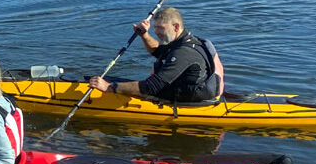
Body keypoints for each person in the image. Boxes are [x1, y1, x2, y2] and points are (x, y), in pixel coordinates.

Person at [88, 7, 223, 103]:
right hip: (194, 87)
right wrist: (144, 35)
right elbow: (158, 51)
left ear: (176, 27)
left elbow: (150, 87)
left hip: (191, 95)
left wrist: (109, 87)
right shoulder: (184, 40)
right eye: (155, 28)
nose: (157, 32)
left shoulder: (183, 53)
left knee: (137, 85)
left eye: (161, 28)